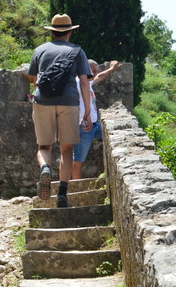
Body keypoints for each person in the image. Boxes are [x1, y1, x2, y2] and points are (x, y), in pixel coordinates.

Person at [26, 14, 93, 208]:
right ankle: (62, 194)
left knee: (44, 147)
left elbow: (34, 81)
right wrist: (87, 111)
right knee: (67, 149)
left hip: (42, 101)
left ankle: (45, 168)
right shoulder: (78, 51)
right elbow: (84, 82)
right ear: (70, 32)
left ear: (52, 32)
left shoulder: (40, 50)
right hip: (69, 102)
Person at [71, 60, 122, 180]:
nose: (94, 73)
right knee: (78, 160)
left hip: (95, 126)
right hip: (83, 127)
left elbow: (99, 76)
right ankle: (76, 189)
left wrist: (111, 69)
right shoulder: (78, 82)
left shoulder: (87, 83)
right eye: (92, 70)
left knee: (114, 134)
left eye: (95, 70)